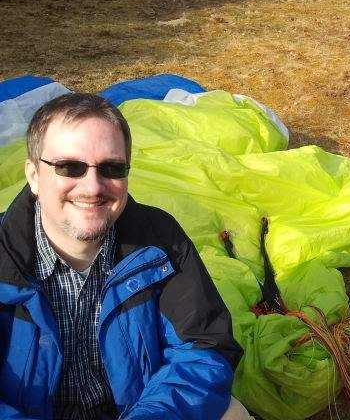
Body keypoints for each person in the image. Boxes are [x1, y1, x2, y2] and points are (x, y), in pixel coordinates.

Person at [0, 93, 252, 419]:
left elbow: (203, 348)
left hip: (141, 411)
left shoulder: (159, 241)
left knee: (233, 412)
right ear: (34, 175)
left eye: (111, 168)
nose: (92, 187)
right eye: (70, 167)